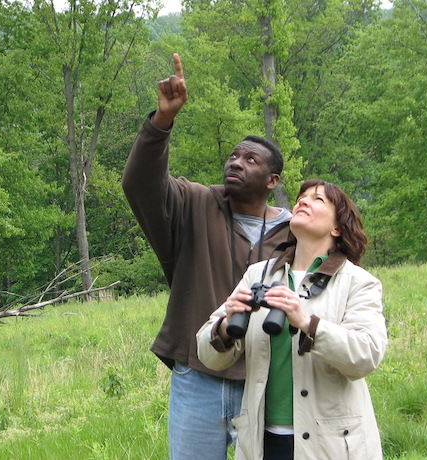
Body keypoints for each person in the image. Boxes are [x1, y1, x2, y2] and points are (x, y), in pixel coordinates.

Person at [121, 53, 292, 459]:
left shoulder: (294, 231)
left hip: (265, 380)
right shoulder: (195, 203)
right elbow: (140, 184)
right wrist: (162, 122)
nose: (236, 161)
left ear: (273, 181)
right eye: (234, 155)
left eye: (250, 159)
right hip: (198, 375)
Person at [196, 179, 387, 459]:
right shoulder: (258, 275)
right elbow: (207, 355)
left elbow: (367, 355)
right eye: (301, 197)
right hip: (262, 441)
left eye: (318, 199)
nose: (303, 201)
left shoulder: (358, 283)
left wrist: (308, 323)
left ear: (337, 227)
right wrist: (226, 326)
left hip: (330, 445)